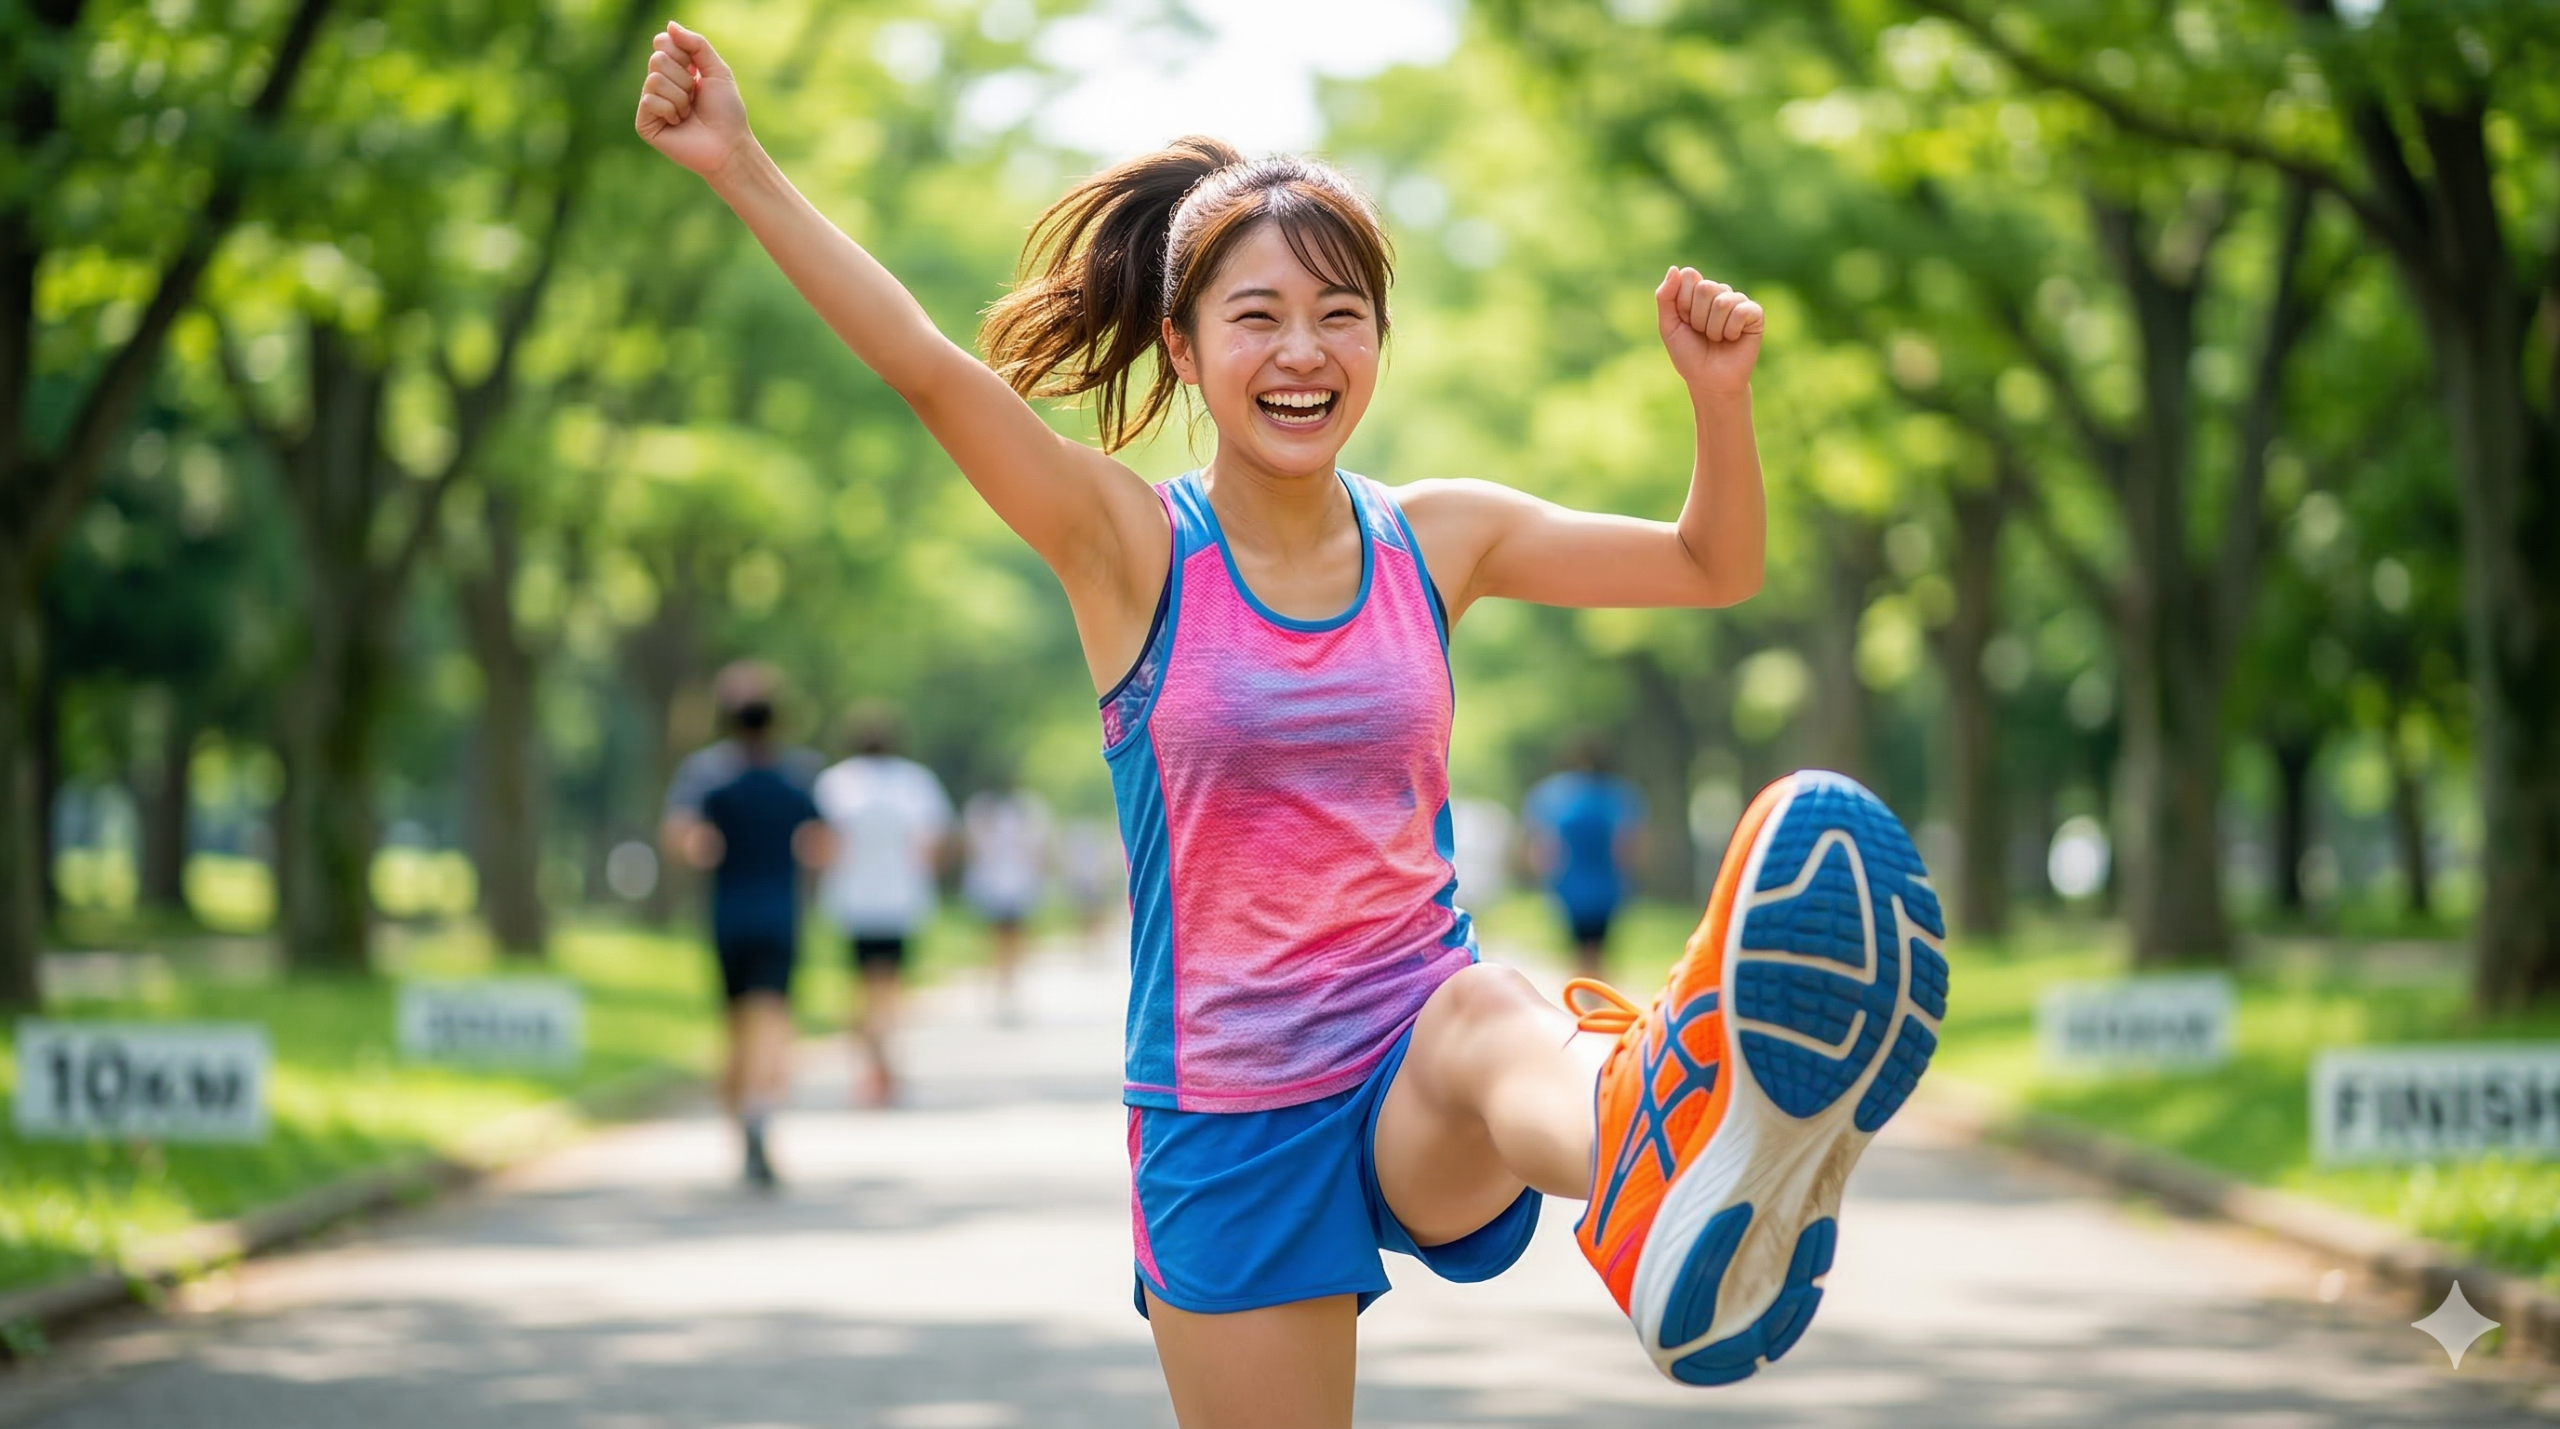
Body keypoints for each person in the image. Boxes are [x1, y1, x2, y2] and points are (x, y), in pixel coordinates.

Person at [637, 32, 1949, 1422]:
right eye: (1256, 315)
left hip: (1413, 1054)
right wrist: (739, 164)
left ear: (1380, 340)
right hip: (1230, 1116)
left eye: (1341, 313)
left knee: (1490, 1007)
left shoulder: (1440, 539)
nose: (1303, 350)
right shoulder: (1127, 546)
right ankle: (1676, 1141)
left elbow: (1709, 566)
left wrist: (1721, 402)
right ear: (1184, 347)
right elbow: (922, 364)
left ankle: (1656, 1148)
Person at [661, 661, 830, 1190]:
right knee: (773, 1018)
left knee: (735, 1022)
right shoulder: (799, 772)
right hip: (780, 913)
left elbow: (687, 841)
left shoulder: (705, 774)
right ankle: (761, 1111)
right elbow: (822, 844)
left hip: (727, 914)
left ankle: (740, 1121)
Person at [812, 703, 952, 1107]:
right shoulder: (914, 781)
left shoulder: (835, 783)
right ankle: (883, 1061)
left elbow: (822, 844)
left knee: (861, 987)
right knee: (889, 986)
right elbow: (933, 843)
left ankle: (873, 1064)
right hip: (900, 899)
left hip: (853, 899)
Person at [1523, 737, 1649, 980]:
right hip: (1606, 885)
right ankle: (1595, 999)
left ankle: (1584, 999)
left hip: (1570, 884)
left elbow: (1542, 846)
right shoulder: (1620, 795)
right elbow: (1629, 845)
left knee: (1579, 949)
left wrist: (1542, 874)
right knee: (1600, 948)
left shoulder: (1554, 793)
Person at [961, 777, 1051, 1021]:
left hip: (1016, 885)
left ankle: (1009, 990)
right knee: (997, 941)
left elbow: (1038, 849)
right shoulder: (982, 809)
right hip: (992, 885)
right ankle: (999, 990)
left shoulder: (1025, 809)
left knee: (1012, 940)